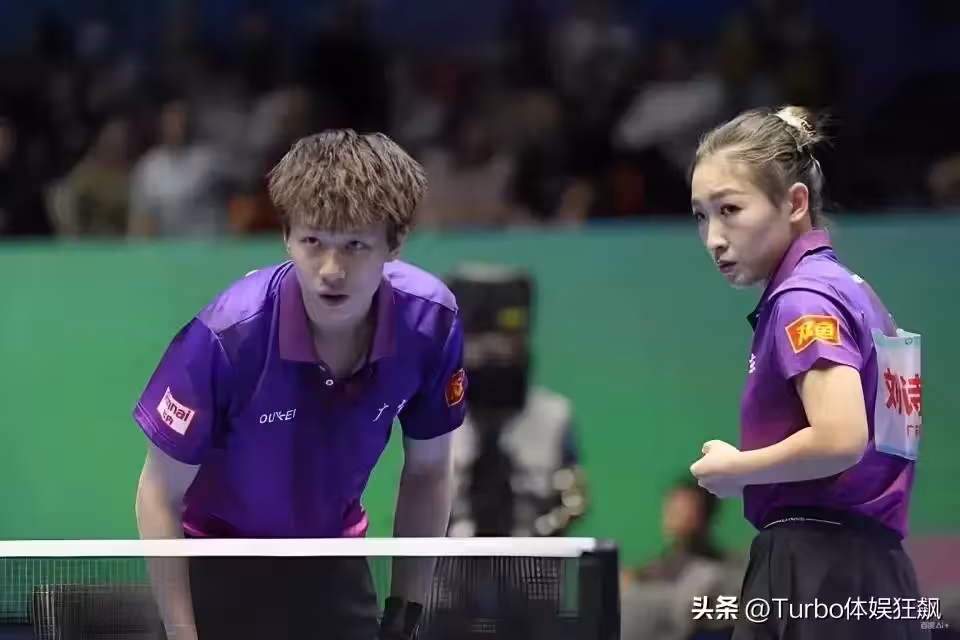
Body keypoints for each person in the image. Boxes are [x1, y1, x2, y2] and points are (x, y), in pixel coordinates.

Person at [133, 130, 467, 640]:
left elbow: (428, 470)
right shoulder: (227, 337)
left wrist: (408, 607)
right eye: (314, 242)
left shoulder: (430, 323)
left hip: (334, 565)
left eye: (355, 245)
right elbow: (158, 492)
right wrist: (182, 635)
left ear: (395, 244)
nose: (331, 270)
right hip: (216, 563)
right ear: (287, 236)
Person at [688, 106, 927, 639]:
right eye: (701, 215)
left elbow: (840, 439)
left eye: (730, 209)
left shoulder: (805, 299)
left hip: (818, 571)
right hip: (875, 571)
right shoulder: (852, 290)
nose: (713, 238)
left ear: (795, 203)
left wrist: (738, 470)